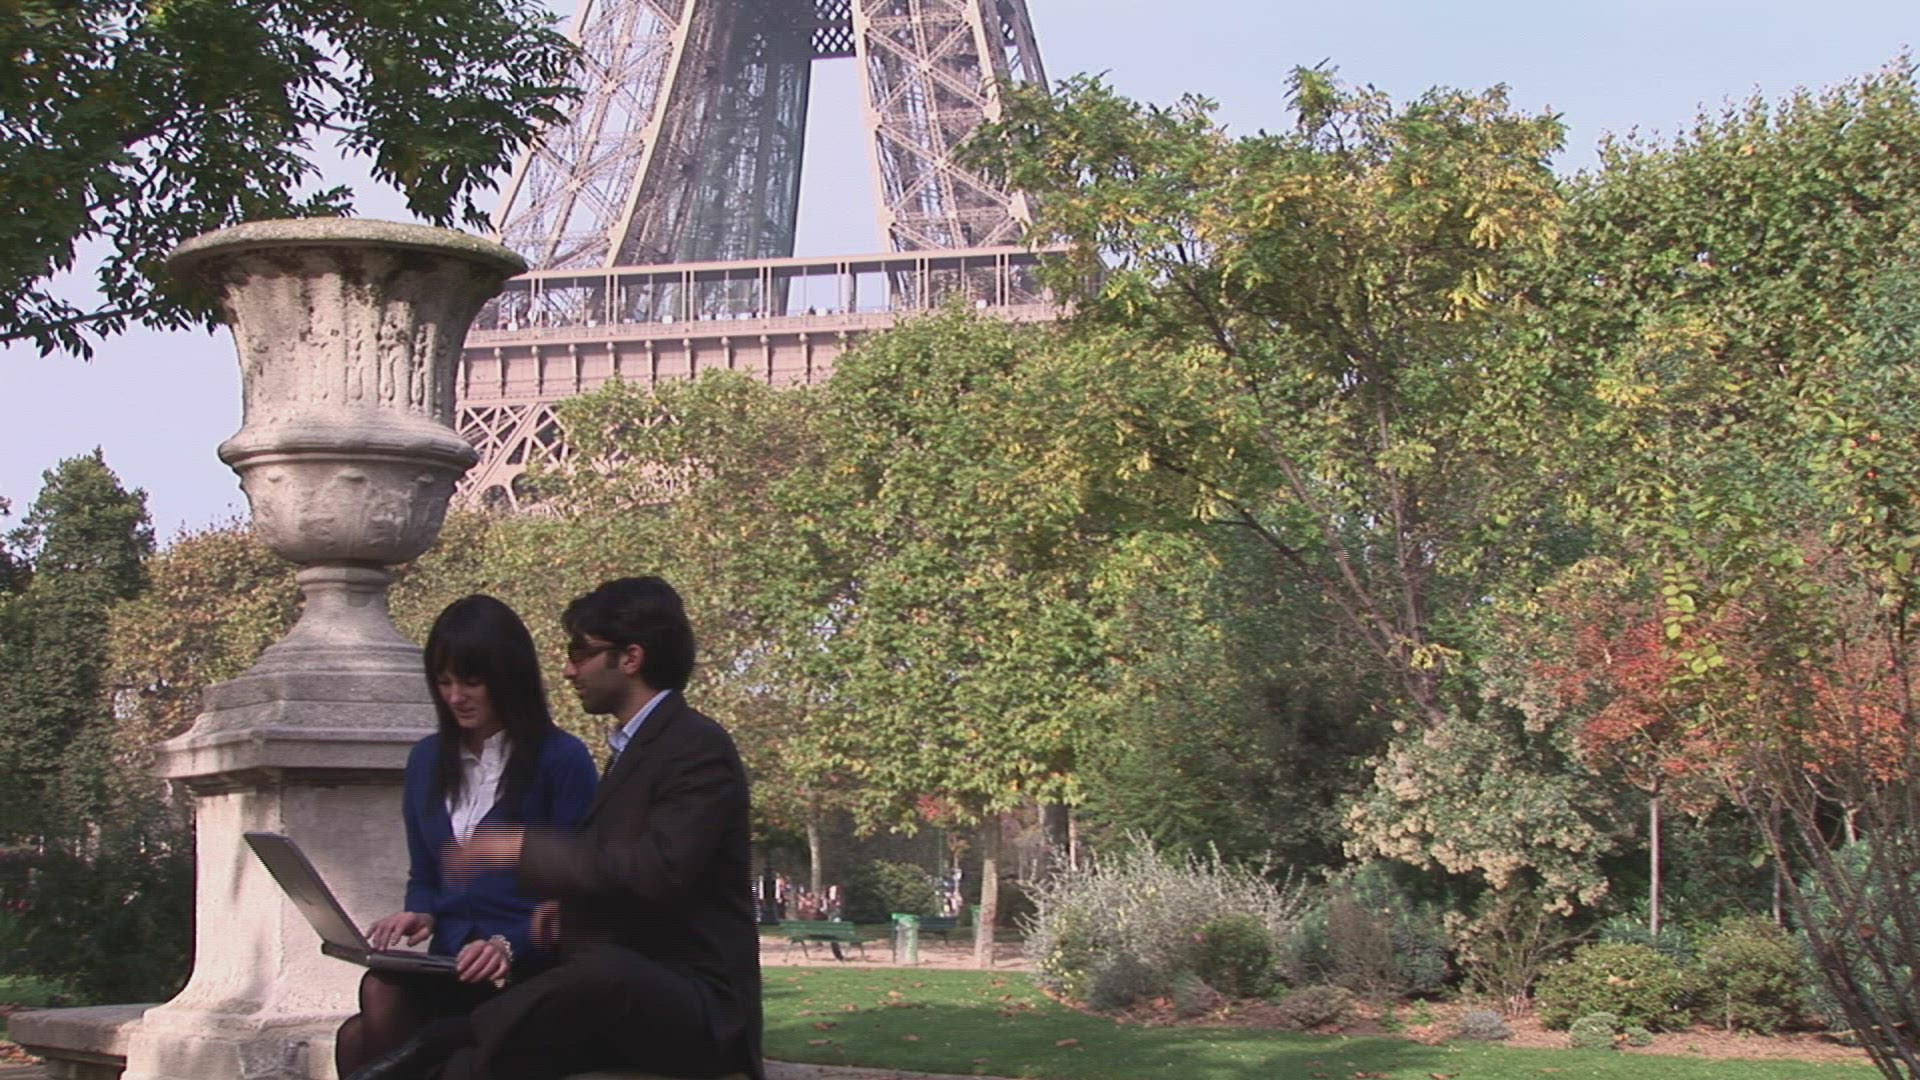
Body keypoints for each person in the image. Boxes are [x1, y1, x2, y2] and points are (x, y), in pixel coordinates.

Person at [347, 576, 763, 1080]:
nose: (568, 669)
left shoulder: (696, 746)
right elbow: (616, 873)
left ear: (631, 658)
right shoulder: (634, 749)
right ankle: (436, 1048)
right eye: (444, 681)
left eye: (580, 652)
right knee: (368, 1026)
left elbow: (659, 871)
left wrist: (519, 857)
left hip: (698, 1001)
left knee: (592, 977)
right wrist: (559, 917)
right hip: (622, 977)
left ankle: (438, 1046)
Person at [335, 595, 598, 1078]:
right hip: (450, 965)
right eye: (444, 682)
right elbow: (425, 875)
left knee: (363, 1031)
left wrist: (506, 943)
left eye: (471, 681)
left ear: (508, 678)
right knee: (372, 1003)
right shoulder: (426, 761)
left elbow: (579, 891)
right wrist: (420, 911)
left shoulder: (562, 760)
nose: (456, 696)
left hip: (526, 968)